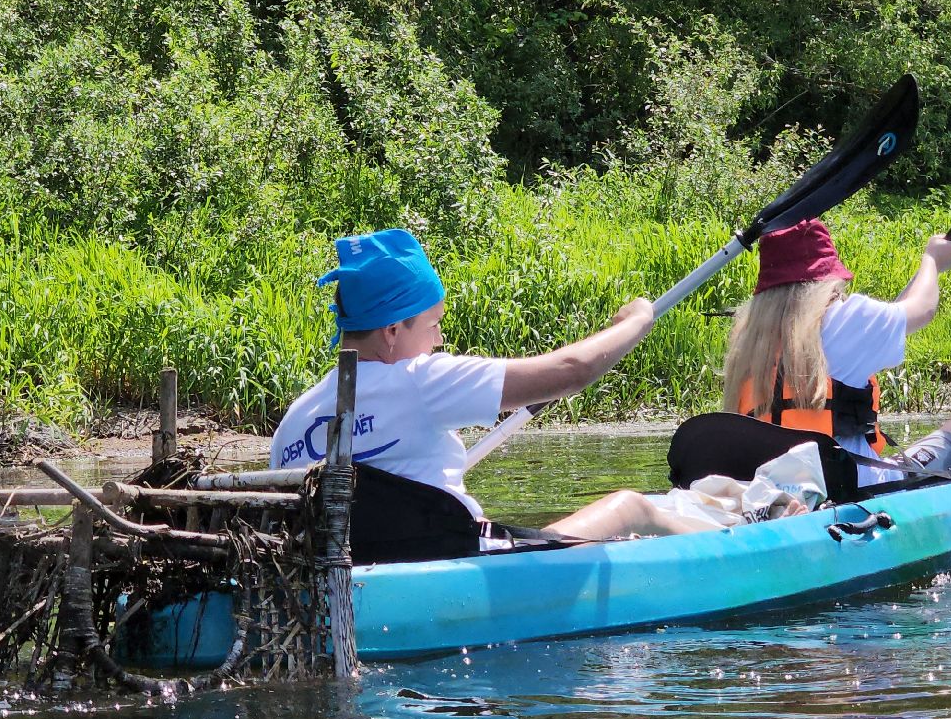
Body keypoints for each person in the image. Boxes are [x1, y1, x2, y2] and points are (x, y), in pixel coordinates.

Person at [271, 228, 719, 544]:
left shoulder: (293, 421)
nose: (438, 341)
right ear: (391, 331)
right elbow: (572, 371)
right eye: (433, 325)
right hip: (462, 566)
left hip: (362, 575)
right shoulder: (421, 380)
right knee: (631, 506)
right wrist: (638, 320)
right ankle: (740, 544)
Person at [720, 217, 951, 484]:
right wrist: (933, 260)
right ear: (823, 283)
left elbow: (894, 315)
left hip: (777, 495)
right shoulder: (840, 320)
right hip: (855, 491)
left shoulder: (750, 341)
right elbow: (922, 309)